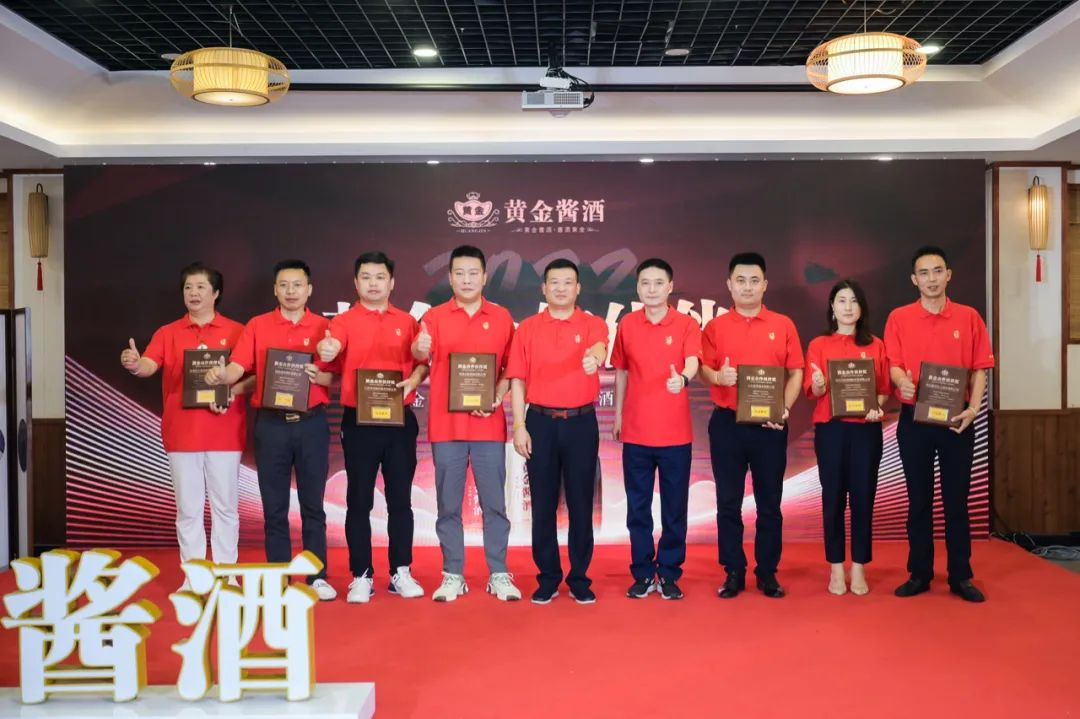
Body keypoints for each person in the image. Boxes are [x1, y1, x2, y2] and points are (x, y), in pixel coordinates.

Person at [204, 259, 337, 601]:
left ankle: (317, 576)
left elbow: (337, 376)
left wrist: (320, 376)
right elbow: (238, 367)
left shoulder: (326, 328)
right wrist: (221, 376)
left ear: (309, 289)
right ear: (275, 289)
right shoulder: (258, 325)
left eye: (297, 285)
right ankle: (279, 576)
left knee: (313, 505)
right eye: (284, 285)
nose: (291, 291)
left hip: (311, 424)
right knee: (274, 508)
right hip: (271, 426)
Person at [120, 262, 249, 584]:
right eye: (188, 287)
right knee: (188, 510)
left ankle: (226, 576)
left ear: (216, 293)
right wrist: (134, 364)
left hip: (225, 432)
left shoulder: (238, 331)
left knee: (225, 508)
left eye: (201, 287)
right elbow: (149, 365)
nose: (194, 293)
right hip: (182, 433)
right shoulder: (168, 332)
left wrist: (232, 391)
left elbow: (253, 376)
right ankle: (195, 578)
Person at [315, 251, 428, 604]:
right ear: (356, 282)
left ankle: (400, 571)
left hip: (399, 421)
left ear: (392, 282)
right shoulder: (343, 321)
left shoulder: (408, 322)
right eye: (366, 277)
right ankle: (361, 574)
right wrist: (328, 347)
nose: (373, 284)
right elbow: (330, 348)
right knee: (359, 500)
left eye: (380, 277)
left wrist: (415, 378)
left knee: (400, 500)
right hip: (359, 422)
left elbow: (423, 361)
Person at [884, 246, 994, 603]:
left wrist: (974, 408)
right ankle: (919, 573)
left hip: (957, 421)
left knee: (956, 501)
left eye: (937, 271)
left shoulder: (969, 317)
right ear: (914, 280)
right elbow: (894, 365)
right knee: (918, 500)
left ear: (948, 275)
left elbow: (980, 368)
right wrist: (902, 381)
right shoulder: (899, 318)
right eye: (924, 273)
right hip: (914, 421)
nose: (931, 279)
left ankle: (961, 575)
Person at [412, 245, 520, 602]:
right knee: (448, 505)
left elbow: (510, 368)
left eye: (473, 273)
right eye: (459, 273)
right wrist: (420, 346)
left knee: (494, 505)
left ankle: (499, 572)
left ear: (485, 277)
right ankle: (452, 574)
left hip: (489, 426)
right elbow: (419, 355)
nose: (467, 280)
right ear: (450, 278)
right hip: (447, 428)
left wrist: (498, 396)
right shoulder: (434, 317)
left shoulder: (501, 317)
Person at [700, 252, 804, 599]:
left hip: (769, 426)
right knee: (728, 502)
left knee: (769, 503)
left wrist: (784, 409)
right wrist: (718, 376)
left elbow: (796, 372)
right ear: (729, 285)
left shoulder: (783, 325)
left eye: (754, 280)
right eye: (740, 280)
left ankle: (767, 571)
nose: (747, 287)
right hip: (727, 423)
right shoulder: (715, 327)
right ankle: (733, 570)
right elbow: (703, 369)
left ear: (765, 285)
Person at [507, 258, 609, 604]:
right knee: (543, 504)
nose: (561, 288)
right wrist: (519, 426)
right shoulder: (527, 328)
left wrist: (594, 358)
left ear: (578, 288)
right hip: (539, 422)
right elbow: (517, 380)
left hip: (581, 423)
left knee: (581, 503)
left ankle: (579, 577)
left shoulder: (592, 324)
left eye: (568, 282)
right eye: (554, 282)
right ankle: (548, 577)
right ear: (544, 288)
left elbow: (600, 346)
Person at [611, 258, 701, 600]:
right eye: (645, 283)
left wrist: (683, 378)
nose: (651, 289)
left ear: (670, 286)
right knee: (638, 508)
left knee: (674, 509)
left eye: (658, 283)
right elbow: (621, 371)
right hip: (636, 432)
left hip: (675, 435)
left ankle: (670, 572)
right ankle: (643, 572)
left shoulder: (686, 324)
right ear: (637, 287)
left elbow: (692, 360)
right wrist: (618, 415)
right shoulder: (627, 324)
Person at [804, 279, 890, 596]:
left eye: (854, 300)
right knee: (833, 499)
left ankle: (859, 567)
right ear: (832, 307)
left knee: (864, 498)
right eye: (842, 300)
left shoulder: (876, 345)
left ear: (862, 308)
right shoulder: (818, 345)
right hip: (831, 430)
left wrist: (876, 408)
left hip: (866, 430)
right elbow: (813, 392)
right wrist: (819, 384)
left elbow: (884, 390)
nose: (848, 307)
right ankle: (837, 567)